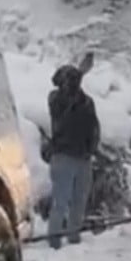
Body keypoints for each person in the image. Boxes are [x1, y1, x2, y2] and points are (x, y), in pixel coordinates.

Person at [46, 62, 101, 249]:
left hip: (83, 157)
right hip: (63, 156)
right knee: (60, 200)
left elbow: (94, 126)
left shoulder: (87, 101)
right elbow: (64, 113)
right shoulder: (56, 100)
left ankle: (74, 235)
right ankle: (54, 239)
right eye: (69, 80)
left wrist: (92, 147)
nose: (72, 84)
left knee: (80, 199)